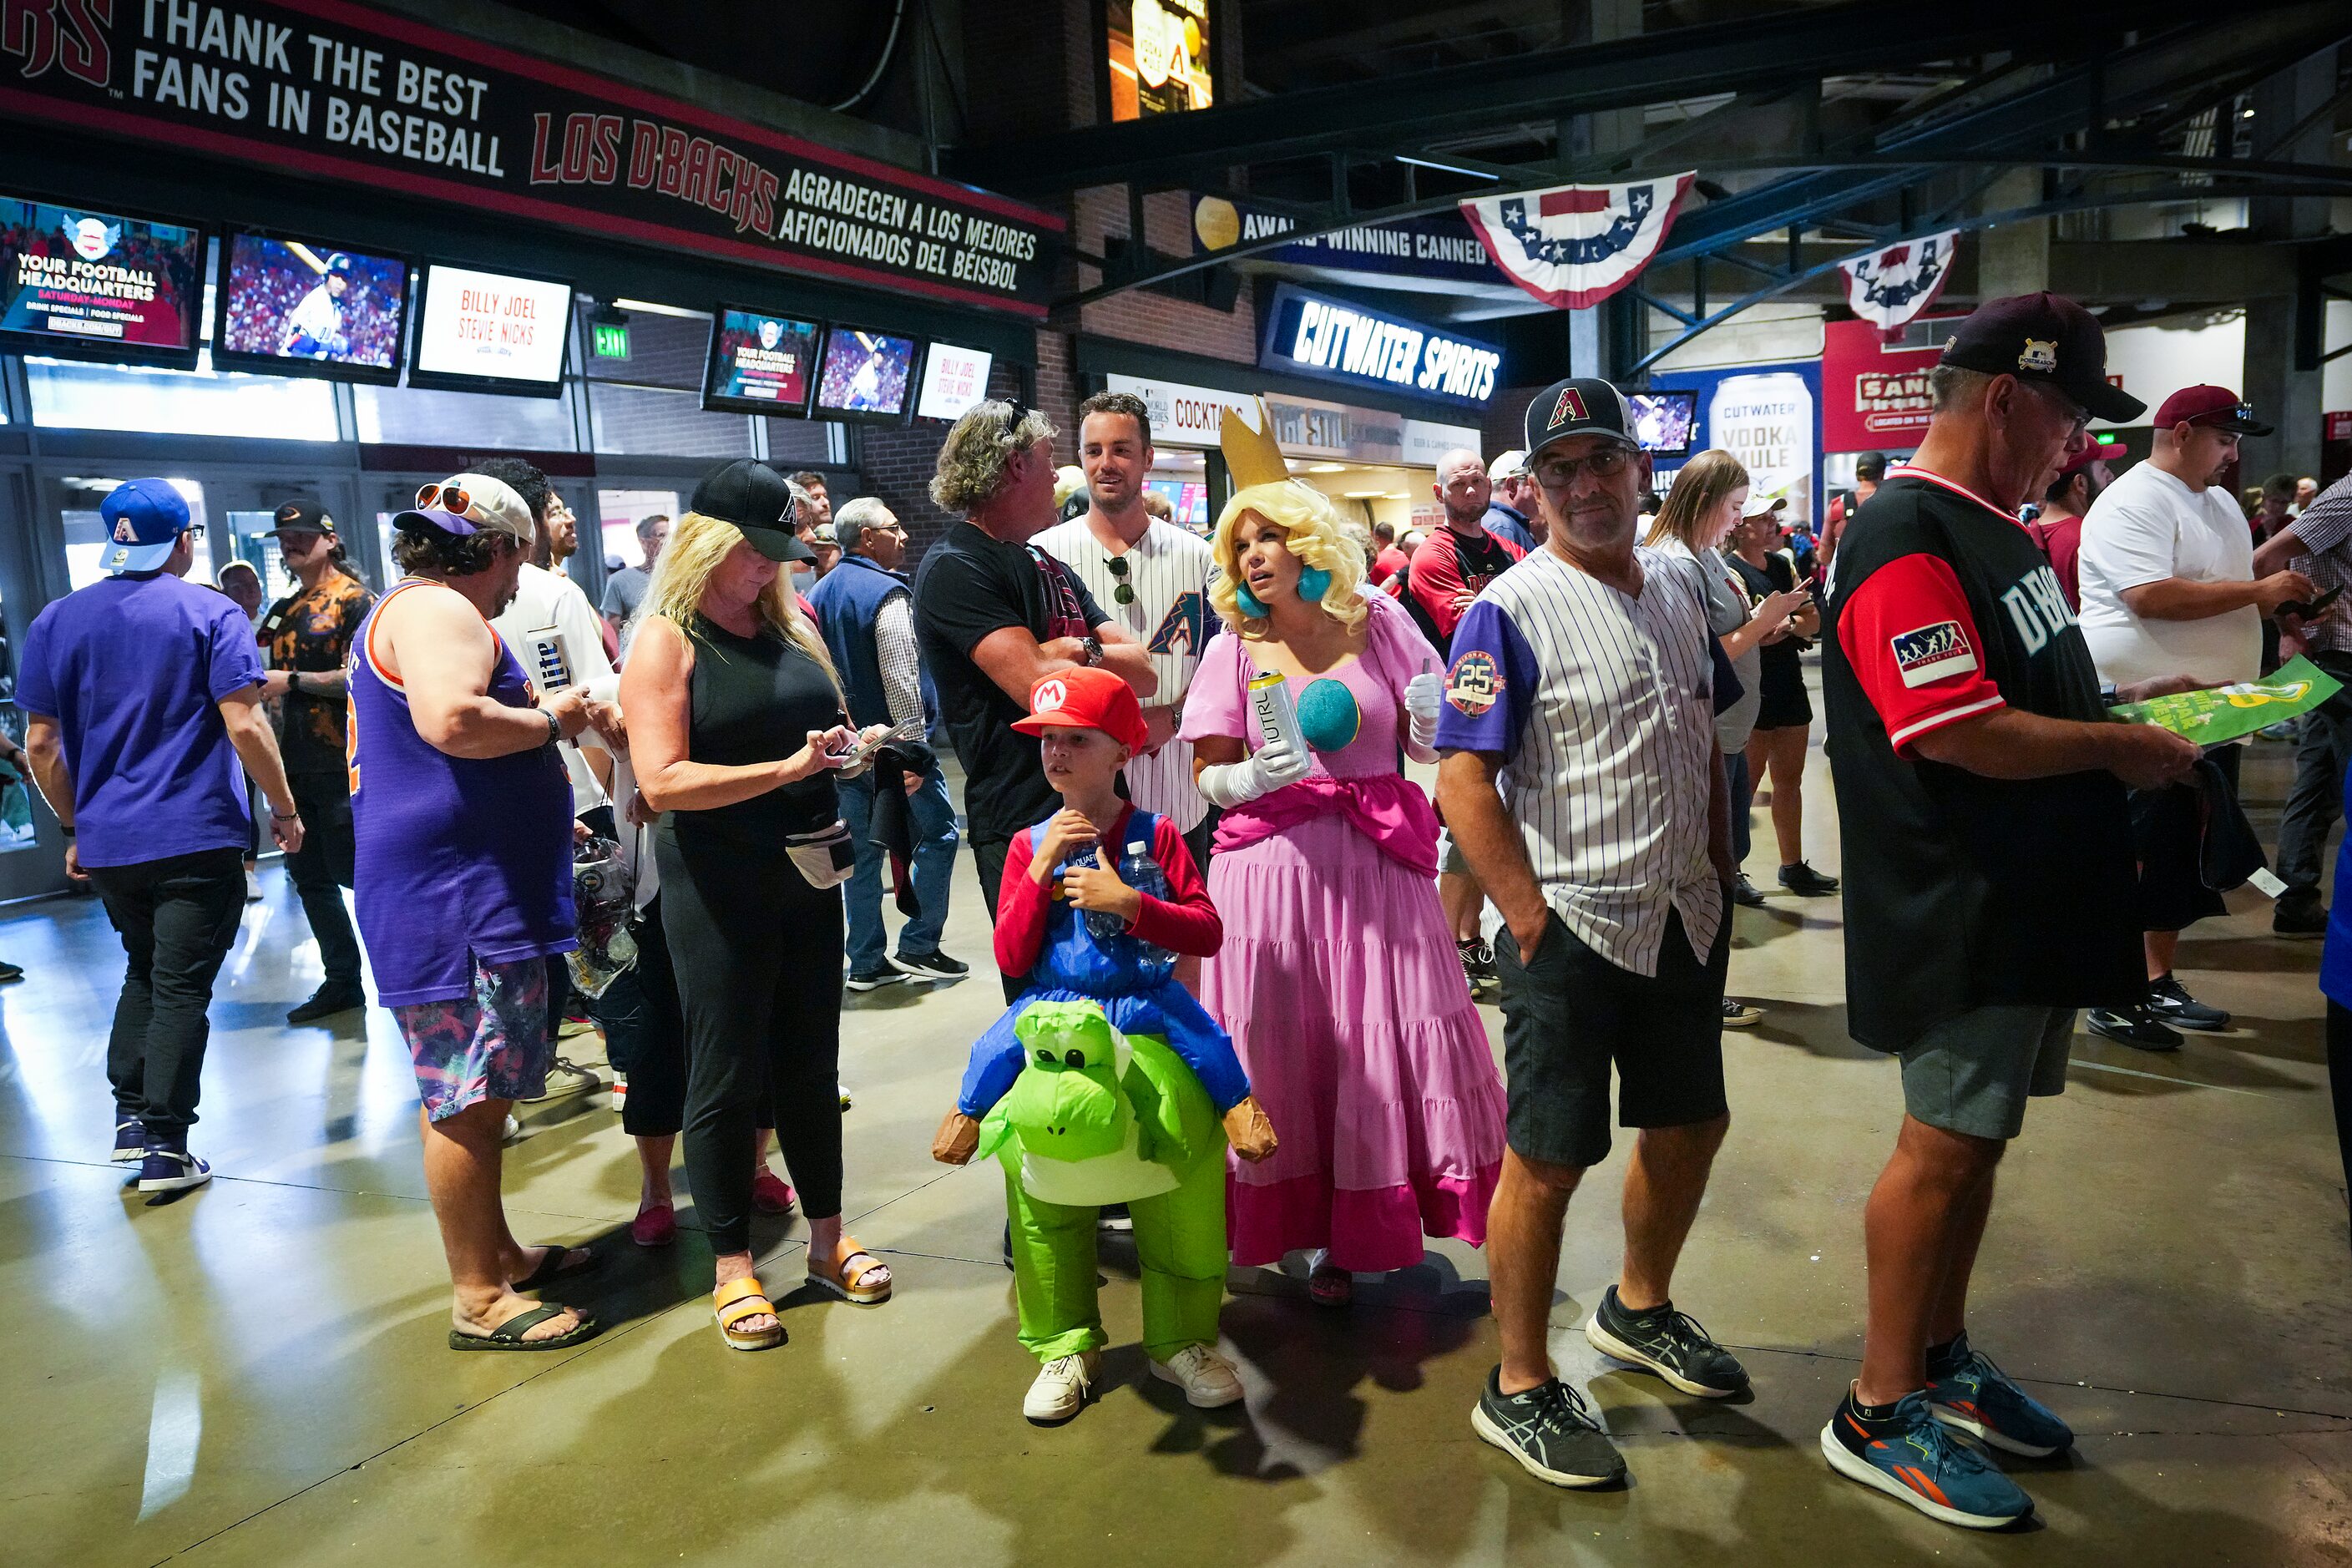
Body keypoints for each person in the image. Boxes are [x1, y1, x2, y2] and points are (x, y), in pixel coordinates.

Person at [1818, 293, 2201, 1528]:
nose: (2074, 441)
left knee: (1977, 1144)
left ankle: (1936, 1355)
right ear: (2003, 397)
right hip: (1957, 904)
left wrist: (2148, 712)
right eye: (2068, 413)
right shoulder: (1900, 533)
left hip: (2024, 896)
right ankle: (1878, 1409)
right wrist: (2119, 748)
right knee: (1939, 1145)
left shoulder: (1997, 532)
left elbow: (2030, 680)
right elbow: (1955, 727)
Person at [1436, 380, 1750, 1491]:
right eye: (1559, 468)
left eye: (1601, 460)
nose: (1584, 484)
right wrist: (1523, 915)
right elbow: (1461, 780)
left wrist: (1722, 864)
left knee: (1690, 1123)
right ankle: (1517, 1381)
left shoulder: (1676, 582)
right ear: (1532, 488)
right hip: (1569, 919)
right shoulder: (1505, 609)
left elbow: (1704, 732)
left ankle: (1637, 1306)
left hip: (1683, 912)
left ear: (1636, 468)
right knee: (1549, 1157)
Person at [1180, 403, 1505, 1307]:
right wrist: (1250, 778)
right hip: (1267, 881)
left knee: (1374, 1043)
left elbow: (1434, 747)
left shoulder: (1382, 624)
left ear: (1311, 544)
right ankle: (1287, 1227)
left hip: (1374, 869)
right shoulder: (1232, 651)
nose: (1253, 556)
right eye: (1240, 543)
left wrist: (1438, 725)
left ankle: (1359, 1231)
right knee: (1283, 1053)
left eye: (1271, 536)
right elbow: (1205, 773)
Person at [932, 668, 1277, 1420]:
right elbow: (1012, 954)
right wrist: (1042, 867)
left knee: (1203, 1050)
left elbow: (1207, 930)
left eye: (1075, 741)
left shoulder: (1156, 835)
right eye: (1047, 742)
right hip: (1055, 1014)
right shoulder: (1029, 842)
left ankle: (1180, 1338)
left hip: (1145, 1008)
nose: (1055, 755)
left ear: (1122, 750)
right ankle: (1064, 1344)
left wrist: (1132, 903)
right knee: (1019, 1121)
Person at [624, 460, 892, 1351]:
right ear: (710, 545)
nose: (769, 567)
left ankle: (826, 1240)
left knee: (813, 1064)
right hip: (718, 884)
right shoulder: (668, 637)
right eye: (756, 553)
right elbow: (660, 781)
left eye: (778, 553)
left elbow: (819, 724)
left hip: (809, 875)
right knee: (726, 1071)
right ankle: (732, 1263)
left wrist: (848, 751)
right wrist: (785, 770)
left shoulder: (790, 622)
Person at [350, 473, 610, 1348]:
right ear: (500, 549)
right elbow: (454, 722)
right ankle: (479, 1297)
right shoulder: (440, 612)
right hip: (453, 900)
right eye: (518, 562)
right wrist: (553, 722)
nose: (514, 585)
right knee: (464, 1100)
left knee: (484, 1092)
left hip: (459, 885)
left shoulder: (417, 610)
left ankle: (498, 1254)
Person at [18, 478, 305, 1191]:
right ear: (184, 540)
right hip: (194, 833)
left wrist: (73, 825)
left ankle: (131, 1119)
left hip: (111, 843)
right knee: (180, 987)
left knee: (146, 969)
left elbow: (42, 745)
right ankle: (166, 1149)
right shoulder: (210, 612)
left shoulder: (56, 620)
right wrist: (285, 808)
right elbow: (245, 721)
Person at [2076, 387, 2305, 1047]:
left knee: (2180, 852)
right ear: (2179, 434)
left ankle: (2152, 980)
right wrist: (2260, 591)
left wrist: (2278, 610)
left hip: (2211, 708)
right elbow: (2147, 595)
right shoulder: (2134, 500)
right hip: (2148, 703)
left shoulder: (2220, 502)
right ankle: (2109, 990)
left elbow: (2225, 589)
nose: (2232, 456)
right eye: (2223, 441)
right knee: (2133, 853)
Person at [912, 400, 1157, 961]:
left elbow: (1142, 670)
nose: (1056, 474)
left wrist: (1074, 649)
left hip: (1103, 812)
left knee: (1123, 985)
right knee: (1048, 1012)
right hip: (1025, 822)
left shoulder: (1047, 565)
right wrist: (1070, 658)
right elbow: (1041, 692)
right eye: (1048, 459)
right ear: (1015, 465)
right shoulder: (957, 565)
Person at [1034, 390, 1218, 873]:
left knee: (1183, 940)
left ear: (1148, 458)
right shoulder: (1041, 555)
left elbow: (1222, 664)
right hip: (1079, 808)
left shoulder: (1198, 555)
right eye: (1094, 451)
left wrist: (1176, 718)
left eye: (1121, 450)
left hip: (1180, 794)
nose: (1106, 463)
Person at [1646, 453, 1808, 935]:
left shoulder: (1706, 552)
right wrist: (1762, 621)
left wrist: (1766, 620)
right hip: (1707, 735)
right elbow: (1700, 654)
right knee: (1706, 866)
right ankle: (1705, 991)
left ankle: (1709, 987)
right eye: (1736, 506)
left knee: (1724, 858)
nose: (1740, 519)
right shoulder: (1678, 562)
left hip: (1729, 732)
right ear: (1704, 501)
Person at [809, 496, 967, 989]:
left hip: (845, 752)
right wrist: (913, 755)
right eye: (893, 529)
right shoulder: (886, 594)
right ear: (866, 538)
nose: (904, 537)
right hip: (892, 751)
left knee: (861, 856)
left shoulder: (819, 593)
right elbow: (902, 680)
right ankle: (920, 944)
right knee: (939, 838)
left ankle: (867, 960)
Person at [258, 501, 373, 1024]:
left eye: (302, 534)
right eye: (284, 537)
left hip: (341, 761)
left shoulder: (356, 601)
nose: (291, 544)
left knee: (359, 873)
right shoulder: (284, 607)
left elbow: (365, 677)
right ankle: (343, 981)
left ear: (330, 538)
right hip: (290, 762)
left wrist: (295, 681)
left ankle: (404, 975)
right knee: (309, 878)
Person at [2253, 471, 2352, 936]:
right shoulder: (2348, 496)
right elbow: (2265, 560)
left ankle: (2294, 901)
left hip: (2335, 659)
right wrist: (2290, 630)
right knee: (2330, 784)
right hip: (2339, 659)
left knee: (2319, 784)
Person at [1725, 496, 1837, 898]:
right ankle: (1731, 869)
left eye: (1774, 515)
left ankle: (1792, 865)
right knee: (1746, 785)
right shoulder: (1729, 573)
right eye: (1762, 516)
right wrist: (1775, 627)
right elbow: (1746, 634)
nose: (1773, 521)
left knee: (1790, 779)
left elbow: (1812, 619)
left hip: (1787, 680)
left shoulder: (1782, 565)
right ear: (1739, 525)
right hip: (1754, 688)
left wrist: (1785, 624)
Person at [1409, 448, 1525, 658]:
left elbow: (1541, 612)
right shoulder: (1433, 555)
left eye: (1477, 481)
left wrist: (1481, 605)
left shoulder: (1510, 549)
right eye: (1459, 484)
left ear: (1489, 485)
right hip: (1461, 681)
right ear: (1438, 493)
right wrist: (1513, 606)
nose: (1471, 491)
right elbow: (1471, 634)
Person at [2021, 436, 2123, 611]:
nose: (2111, 476)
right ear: (2081, 483)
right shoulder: (2088, 537)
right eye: (2103, 469)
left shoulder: (2028, 533)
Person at [600, 513, 670, 647]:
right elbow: (611, 634)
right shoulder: (620, 581)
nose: (668, 541)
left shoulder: (678, 579)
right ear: (643, 542)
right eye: (661, 536)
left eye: (669, 535)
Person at [1483, 449, 1539, 551]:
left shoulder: (1499, 522)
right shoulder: (1503, 526)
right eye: (1535, 485)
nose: (1541, 494)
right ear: (1512, 486)